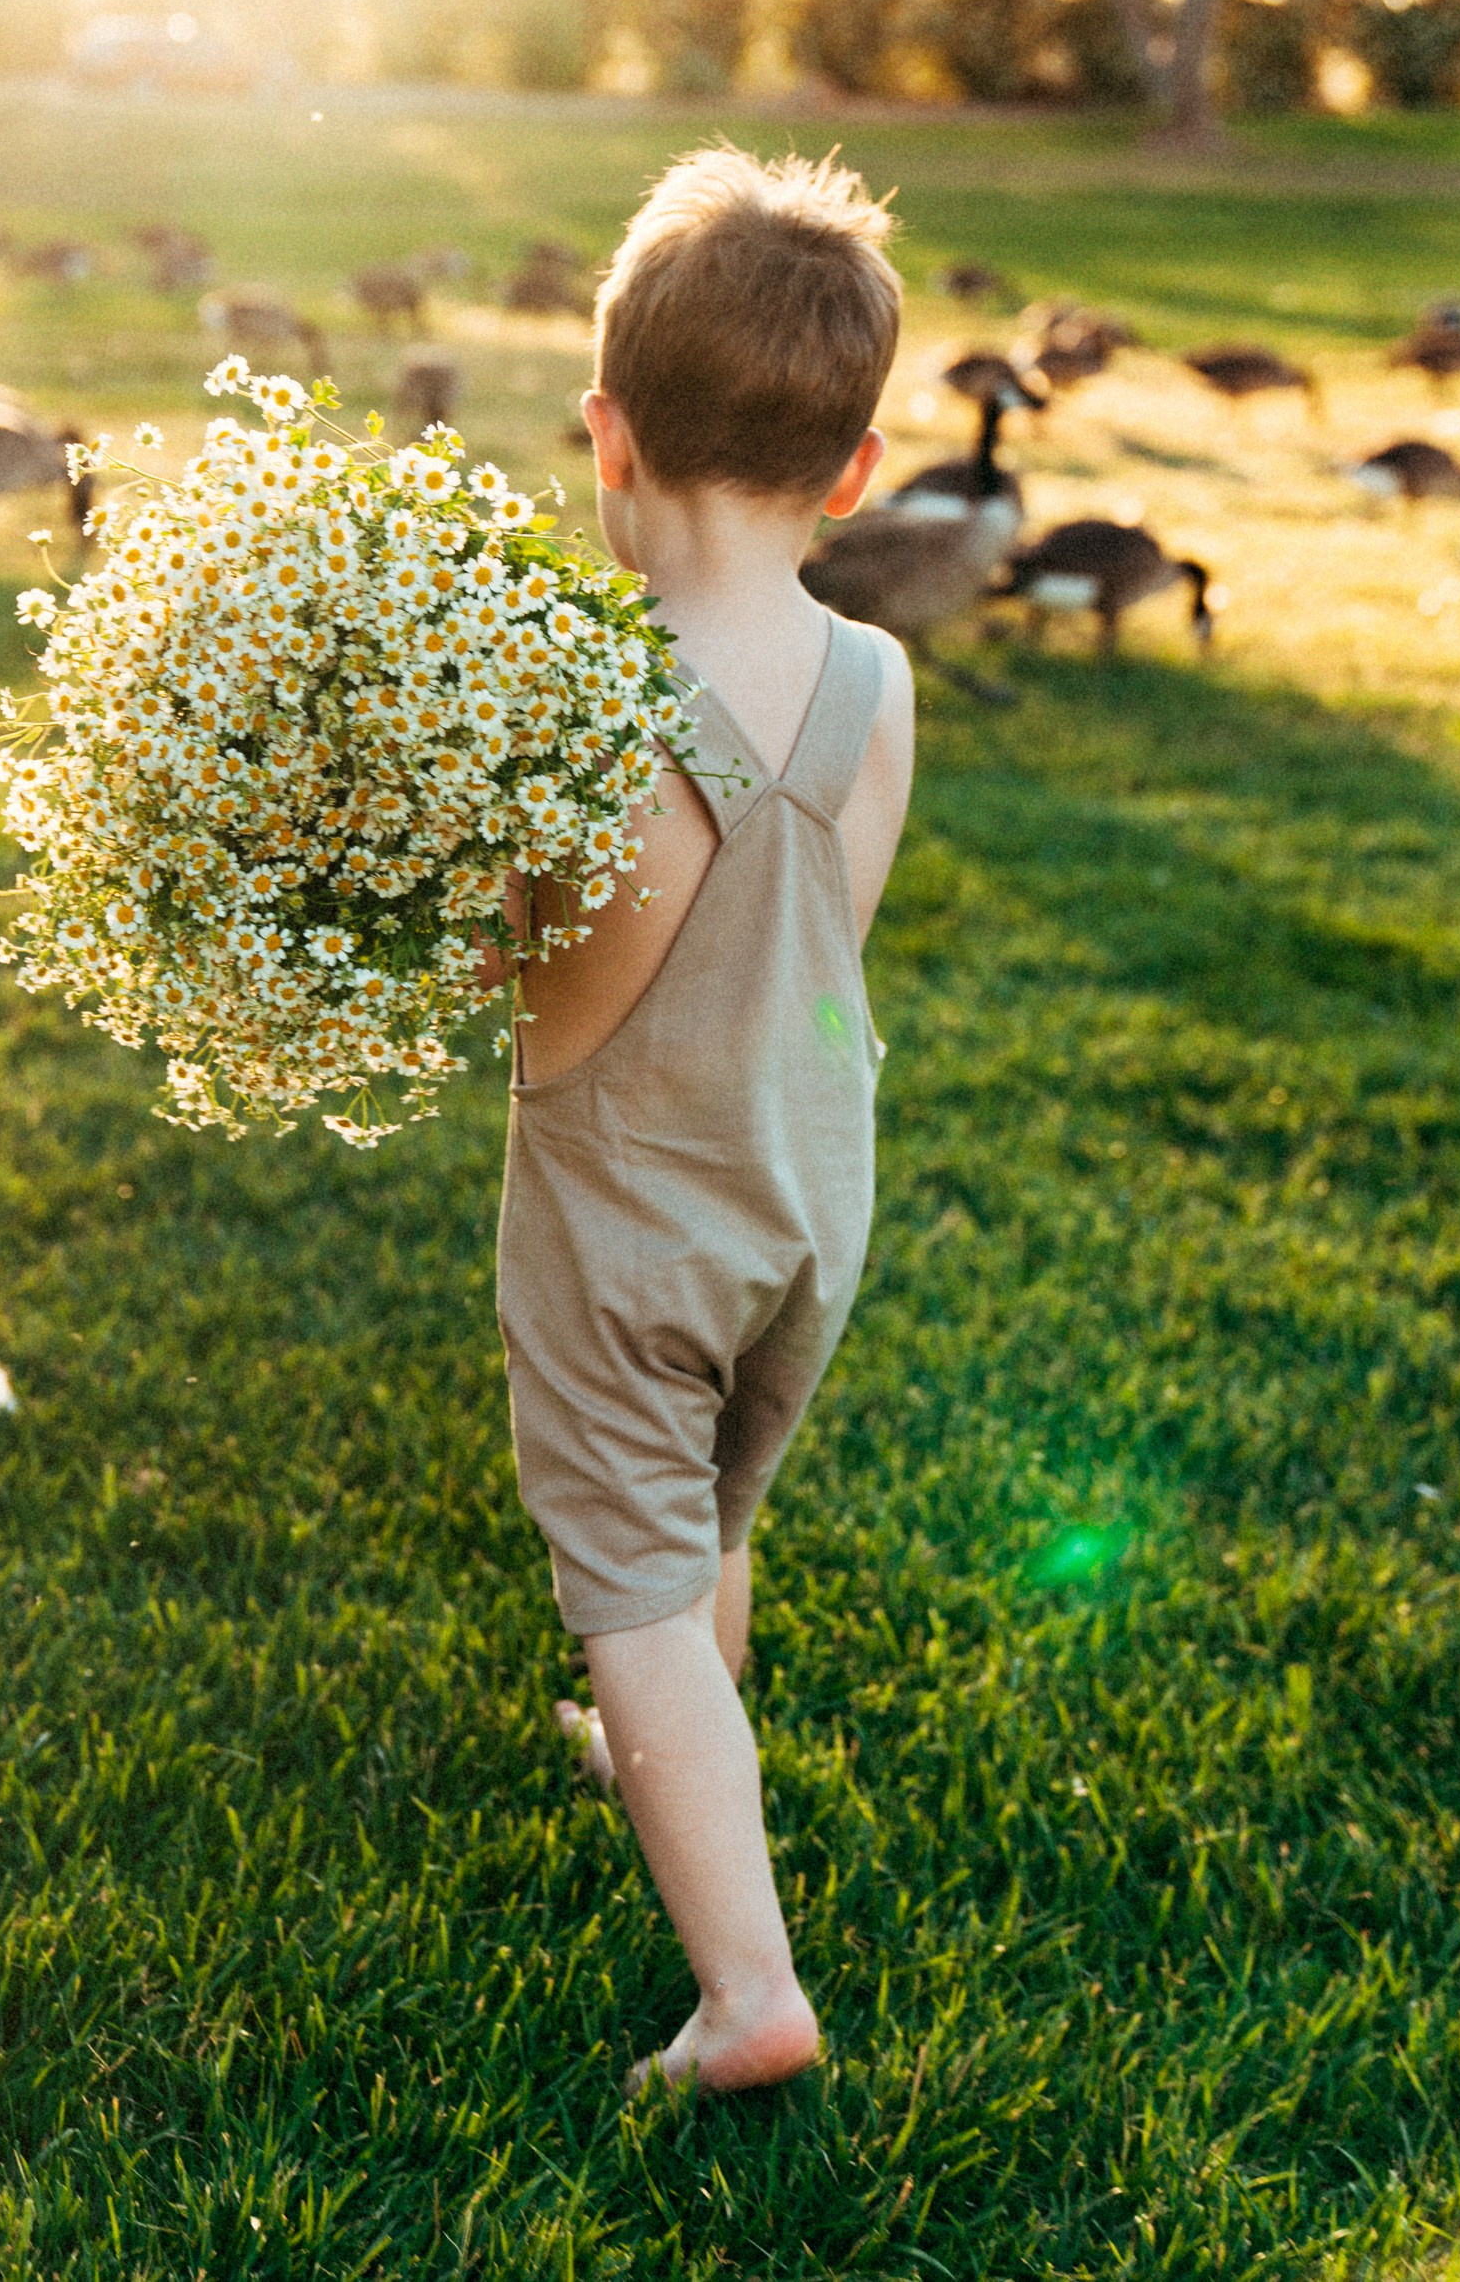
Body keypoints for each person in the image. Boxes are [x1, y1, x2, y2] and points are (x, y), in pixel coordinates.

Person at [498, 144, 916, 2095]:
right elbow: (827, 927)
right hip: (808, 1183)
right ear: (849, 473)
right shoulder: (874, 672)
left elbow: (571, 1001)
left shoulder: (595, 701)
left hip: (632, 1220)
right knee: (713, 1502)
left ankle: (747, 1995)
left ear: (606, 435)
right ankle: (682, 1711)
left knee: (630, 1575)